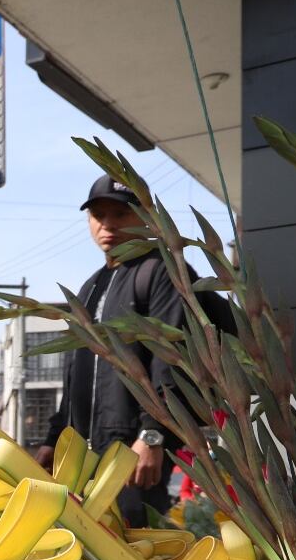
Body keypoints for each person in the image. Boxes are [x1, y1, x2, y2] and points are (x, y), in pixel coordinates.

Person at [33, 174, 202, 526]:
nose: (107, 224)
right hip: (81, 451)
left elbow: (169, 360)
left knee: (135, 545)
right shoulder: (91, 285)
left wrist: (152, 436)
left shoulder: (163, 270)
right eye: (98, 215)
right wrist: (54, 437)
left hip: (132, 449)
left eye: (120, 214)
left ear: (145, 217)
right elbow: (74, 370)